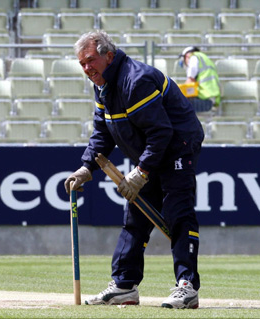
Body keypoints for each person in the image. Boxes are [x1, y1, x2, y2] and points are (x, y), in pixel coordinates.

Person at [64, 30, 204, 309]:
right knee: (135, 219)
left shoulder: (135, 80)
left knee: (178, 214)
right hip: (151, 153)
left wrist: (140, 172)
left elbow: (161, 132)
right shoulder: (102, 85)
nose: (87, 68)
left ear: (109, 56)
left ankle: (187, 287)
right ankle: (124, 287)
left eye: (91, 60)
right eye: (82, 64)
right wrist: (86, 167)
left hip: (177, 146)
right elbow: (102, 132)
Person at [178, 46, 221, 112]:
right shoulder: (205, 59)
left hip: (205, 99)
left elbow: (190, 80)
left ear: (186, 56)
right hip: (212, 99)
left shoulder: (194, 57)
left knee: (178, 106)